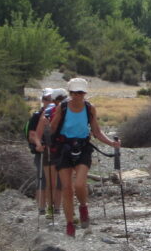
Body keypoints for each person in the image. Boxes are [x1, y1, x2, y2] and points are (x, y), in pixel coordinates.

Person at [44, 78, 120, 238]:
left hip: (83, 148)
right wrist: (45, 135)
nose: (78, 95)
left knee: (79, 184)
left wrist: (111, 143)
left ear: (85, 93)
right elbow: (53, 127)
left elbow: (97, 131)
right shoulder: (63, 108)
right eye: (75, 92)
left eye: (81, 92)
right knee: (66, 189)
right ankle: (70, 223)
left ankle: (83, 207)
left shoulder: (89, 108)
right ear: (70, 93)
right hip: (64, 149)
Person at [28, 88, 54, 215]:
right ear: (43, 100)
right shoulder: (37, 116)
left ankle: (52, 207)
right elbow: (32, 134)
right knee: (42, 179)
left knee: (55, 180)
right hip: (41, 151)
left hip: (54, 151)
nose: (49, 102)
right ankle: (41, 207)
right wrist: (39, 144)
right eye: (47, 99)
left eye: (52, 100)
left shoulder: (57, 115)